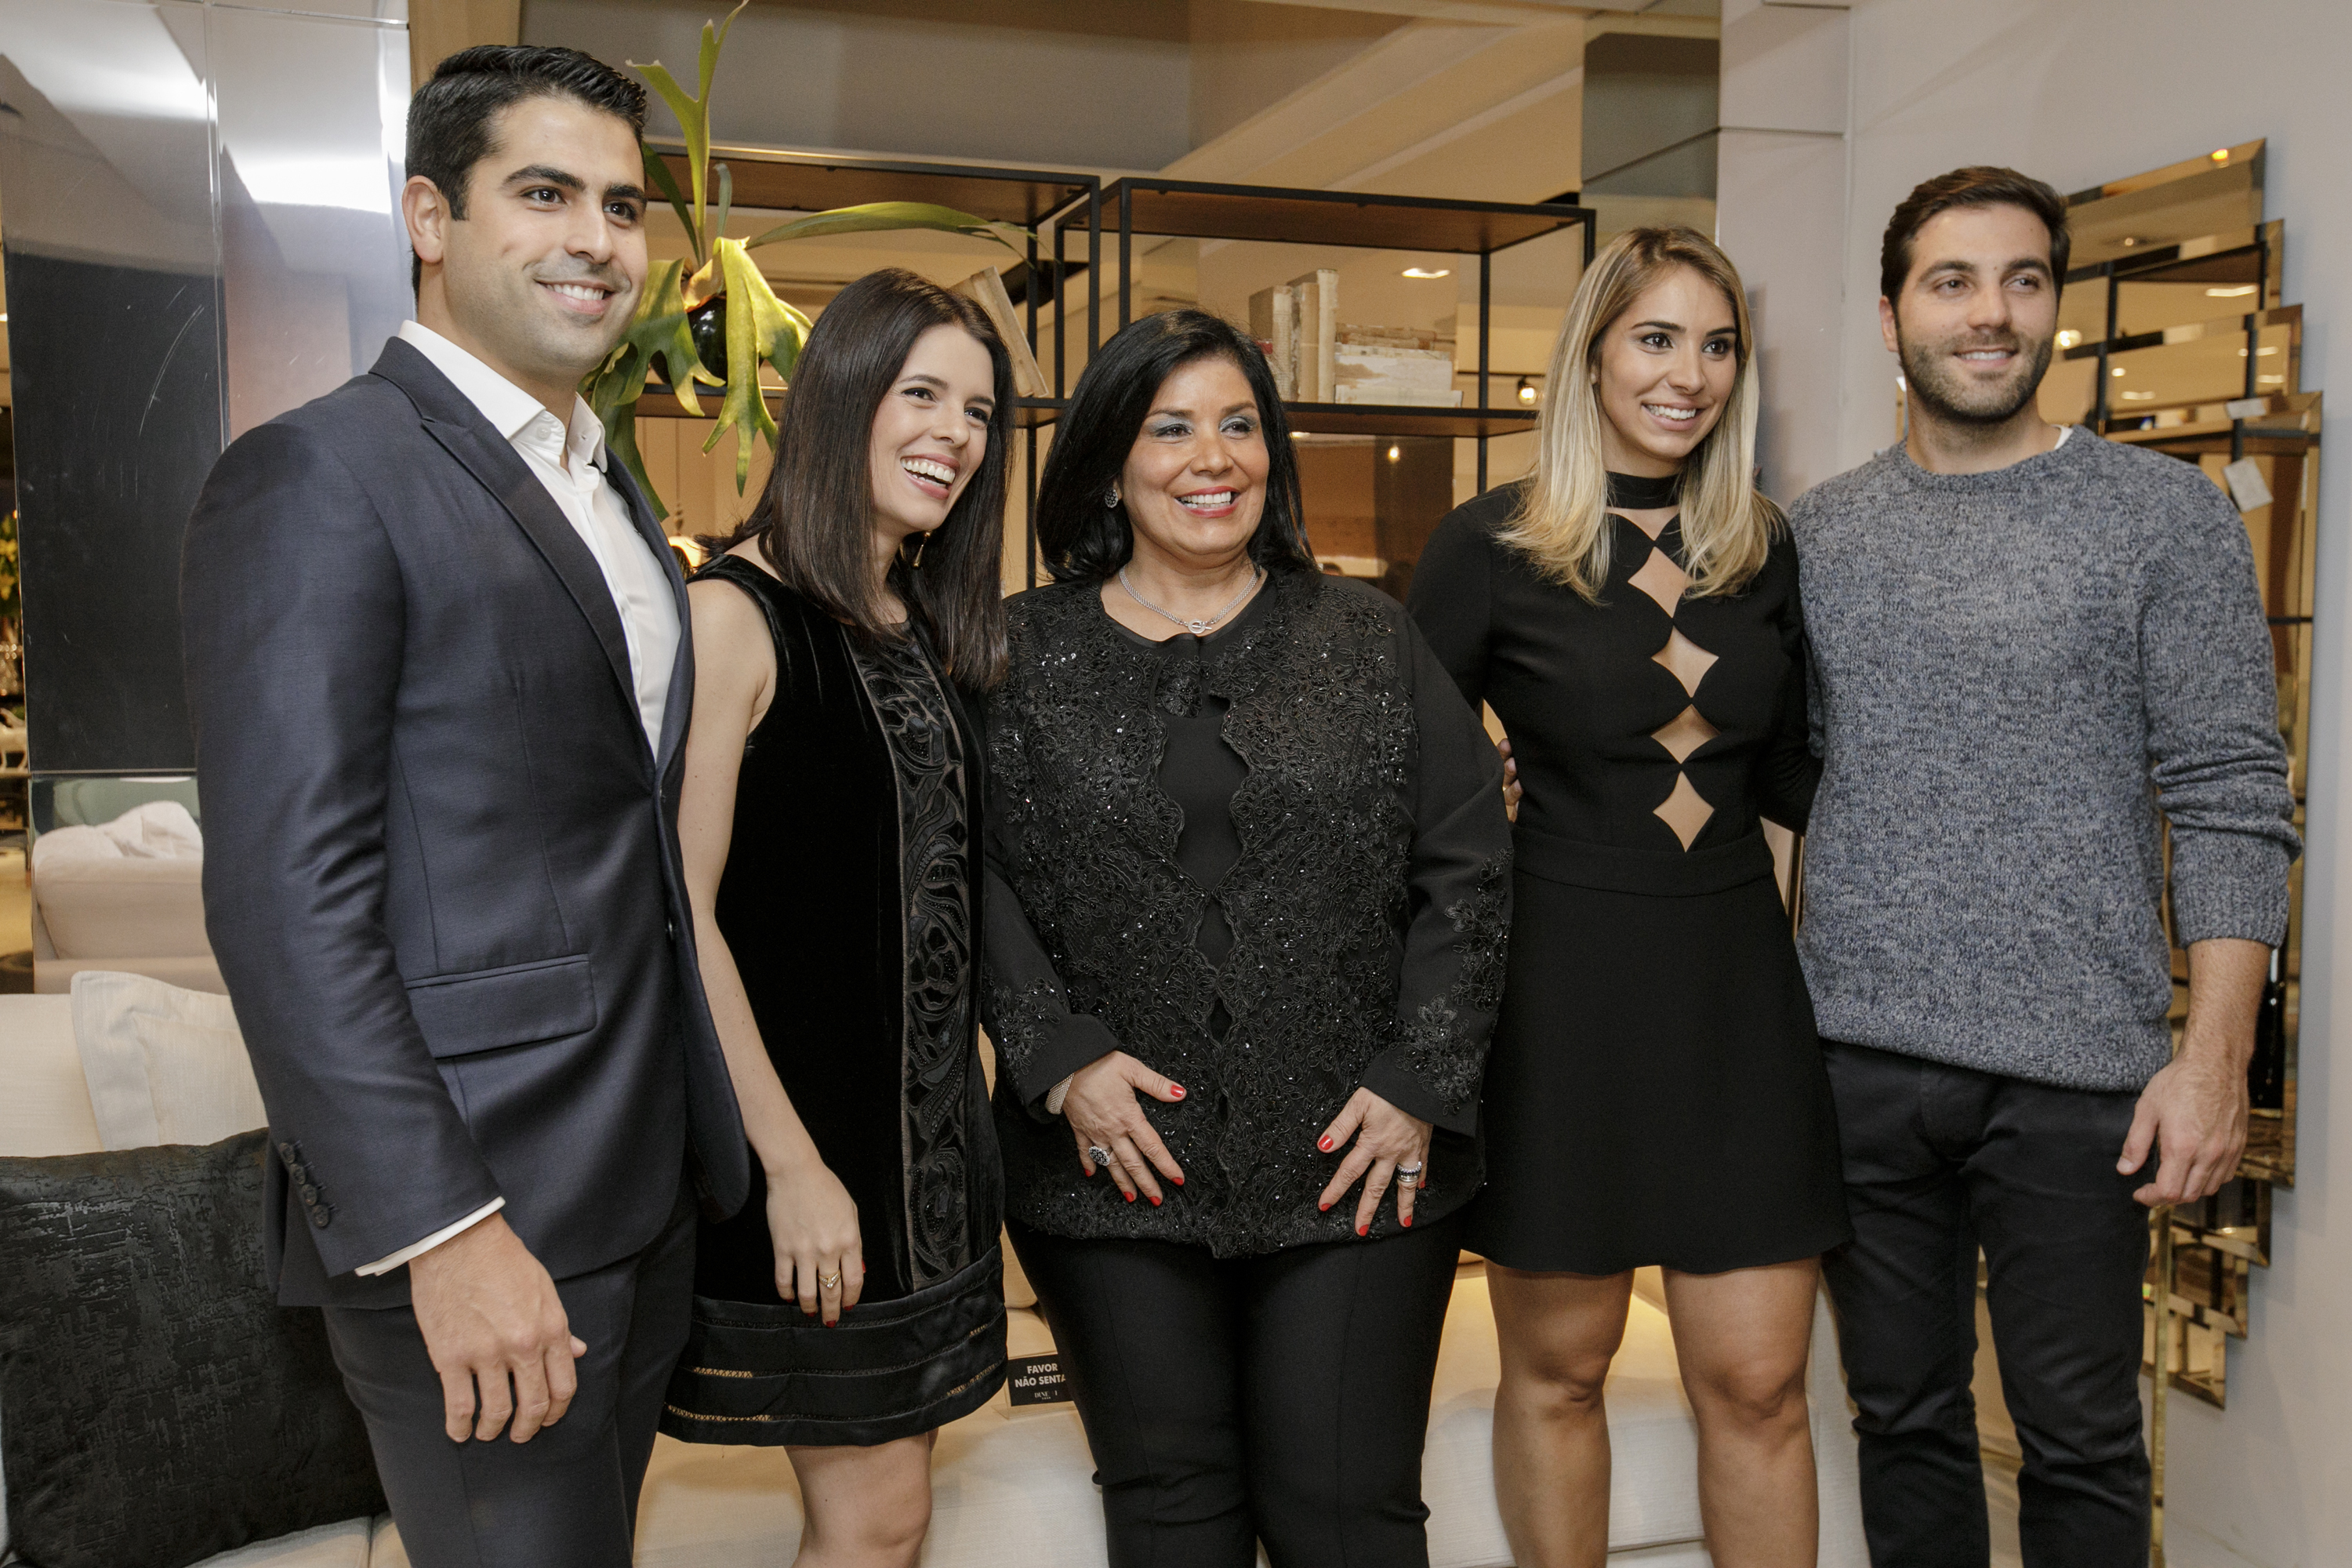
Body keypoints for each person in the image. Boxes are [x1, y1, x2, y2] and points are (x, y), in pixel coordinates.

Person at [180, 46, 746, 1568]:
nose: (598, 239)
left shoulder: (604, 481)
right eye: (544, 193)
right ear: (429, 217)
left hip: (636, 1185)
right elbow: (285, 901)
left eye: (624, 205)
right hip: (477, 1206)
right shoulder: (319, 476)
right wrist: (444, 1232)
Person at [1791, 166, 2299, 1568]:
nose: (1990, 313)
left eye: (2023, 280)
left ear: (2054, 314)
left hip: (2085, 1074)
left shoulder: (2163, 517)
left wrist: (2214, 1061)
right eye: (1952, 282)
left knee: (2080, 1440)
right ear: (1892, 316)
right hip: (1858, 1062)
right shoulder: (1818, 535)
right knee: (1899, 1420)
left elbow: (2233, 794)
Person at [982, 309, 1512, 1568]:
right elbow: (974, 873)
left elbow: (1473, 866)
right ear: (1112, 457)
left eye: (1238, 426)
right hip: (1109, 1170)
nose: (1209, 457)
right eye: (1170, 428)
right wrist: (1057, 1054)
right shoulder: (1018, 650)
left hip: (1360, 1163)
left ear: (1272, 456)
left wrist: (1418, 1081)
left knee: (1347, 1514)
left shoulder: (1369, 637)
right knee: (1169, 1512)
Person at [1409, 227, 1845, 1568]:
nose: (1690, 374)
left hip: (1735, 998)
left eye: (1718, 346)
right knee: (1562, 1373)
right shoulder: (1489, 544)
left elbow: (1797, 781)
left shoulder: (1763, 548)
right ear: (1592, 353)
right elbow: (1401, 781)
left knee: (1762, 1385)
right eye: (1657, 339)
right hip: (1557, 998)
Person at [659, 268, 1011, 1563]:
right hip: (807, 1161)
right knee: (871, 1521)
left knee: (891, 1517)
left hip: (925, 1162)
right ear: (841, 396)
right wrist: (791, 1169)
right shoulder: (733, 619)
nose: (955, 436)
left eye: (978, 412)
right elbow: (681, 918)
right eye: (922, 394)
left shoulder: (917, 623)